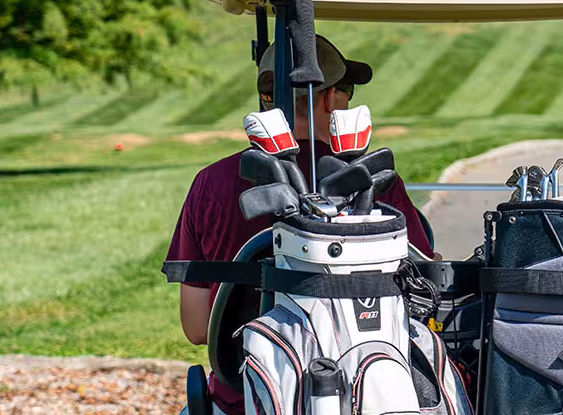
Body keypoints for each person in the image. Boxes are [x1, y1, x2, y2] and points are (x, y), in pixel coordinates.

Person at [164, 34, 434, 415]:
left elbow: (196, 327)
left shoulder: (210, 183)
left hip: (242, 397)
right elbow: (423, 296)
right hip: (364, 397)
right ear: (328, 99)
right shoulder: (374, 182)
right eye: (346, 89)